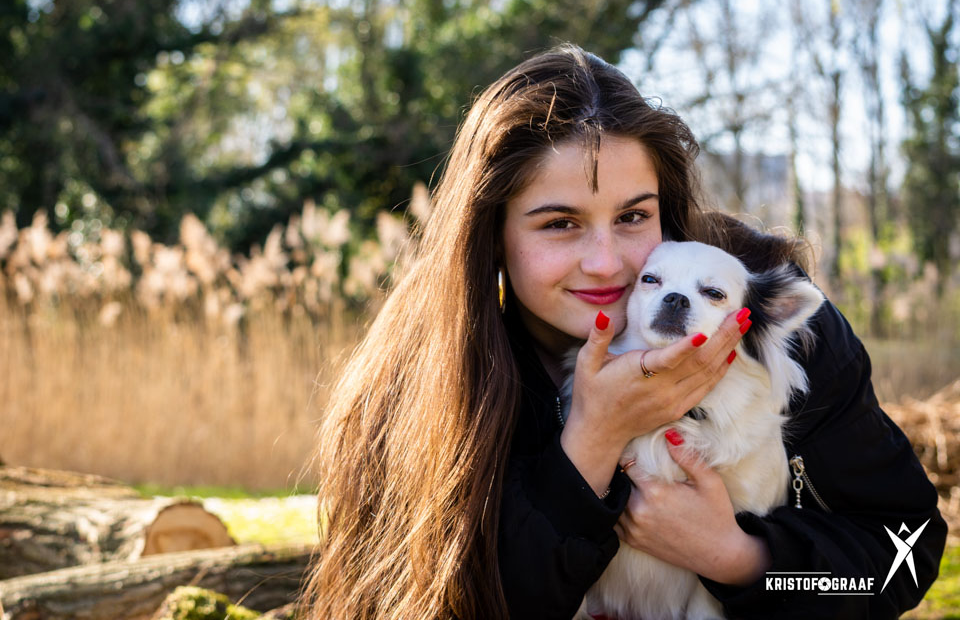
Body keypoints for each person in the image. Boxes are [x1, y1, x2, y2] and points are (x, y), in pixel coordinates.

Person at [300, 44, 946, 619]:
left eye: (635, 216)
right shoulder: (422, 369)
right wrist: (594, 437)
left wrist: (744, 558)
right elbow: (424, 600)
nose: (608, 262)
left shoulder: (771, 318)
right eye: (560, 224)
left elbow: (902, 560)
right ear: (491, 235)